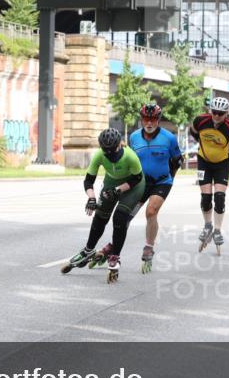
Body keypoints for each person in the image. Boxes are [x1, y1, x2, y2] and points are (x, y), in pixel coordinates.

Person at [63, 128, 145, 283]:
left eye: (112, 152)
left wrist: (119, 190)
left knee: (119, 218)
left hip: (133, 186)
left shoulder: (130, 156)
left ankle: (115, 256)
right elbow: (88, 180)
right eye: (106, 152)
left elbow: (137, 178)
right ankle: (88, 250)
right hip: (111, 182)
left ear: (119, 145)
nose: (110, 155)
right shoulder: (100, 155)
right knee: (100, 215)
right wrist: (91, 198)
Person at [129, 103, 183, 273]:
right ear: (141, 119)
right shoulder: (134, 138)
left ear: (158, 120)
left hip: (161, 182)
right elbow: (130, 162)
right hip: (141, 183)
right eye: (146, 119)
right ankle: (113, 247)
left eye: (153, 119)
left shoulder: (169, 138)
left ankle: (149, 246)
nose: (149, 123)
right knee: (126, 215)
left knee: (151, 211)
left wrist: (169, 179)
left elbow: (177, 162)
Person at [190, 96, 229, 253]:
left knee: (219, 197)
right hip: (204, 162)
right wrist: (202, 143)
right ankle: (207, 226)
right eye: (214, 112)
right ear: (210, 111)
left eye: (221, 113)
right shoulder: (200, 120)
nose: (217, 115)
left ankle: (218, 230)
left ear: (226, 113)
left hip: (222, 163)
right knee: (206, 198)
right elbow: (192, 131)